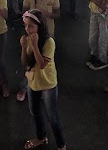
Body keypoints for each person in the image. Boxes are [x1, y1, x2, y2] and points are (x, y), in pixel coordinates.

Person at [20, 9, 66, 150]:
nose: (28, 29)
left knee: (52, 116)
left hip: (47, 83)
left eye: (31, 26)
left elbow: (41, 65)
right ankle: (41, 137)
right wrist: (23, 47)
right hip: (33, 81)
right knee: (34, 111)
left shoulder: (48, 42)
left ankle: (61, 144)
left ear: (40, 26)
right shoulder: (28, 38)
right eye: (26, 25)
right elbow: (25, 62)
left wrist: (34, 45)